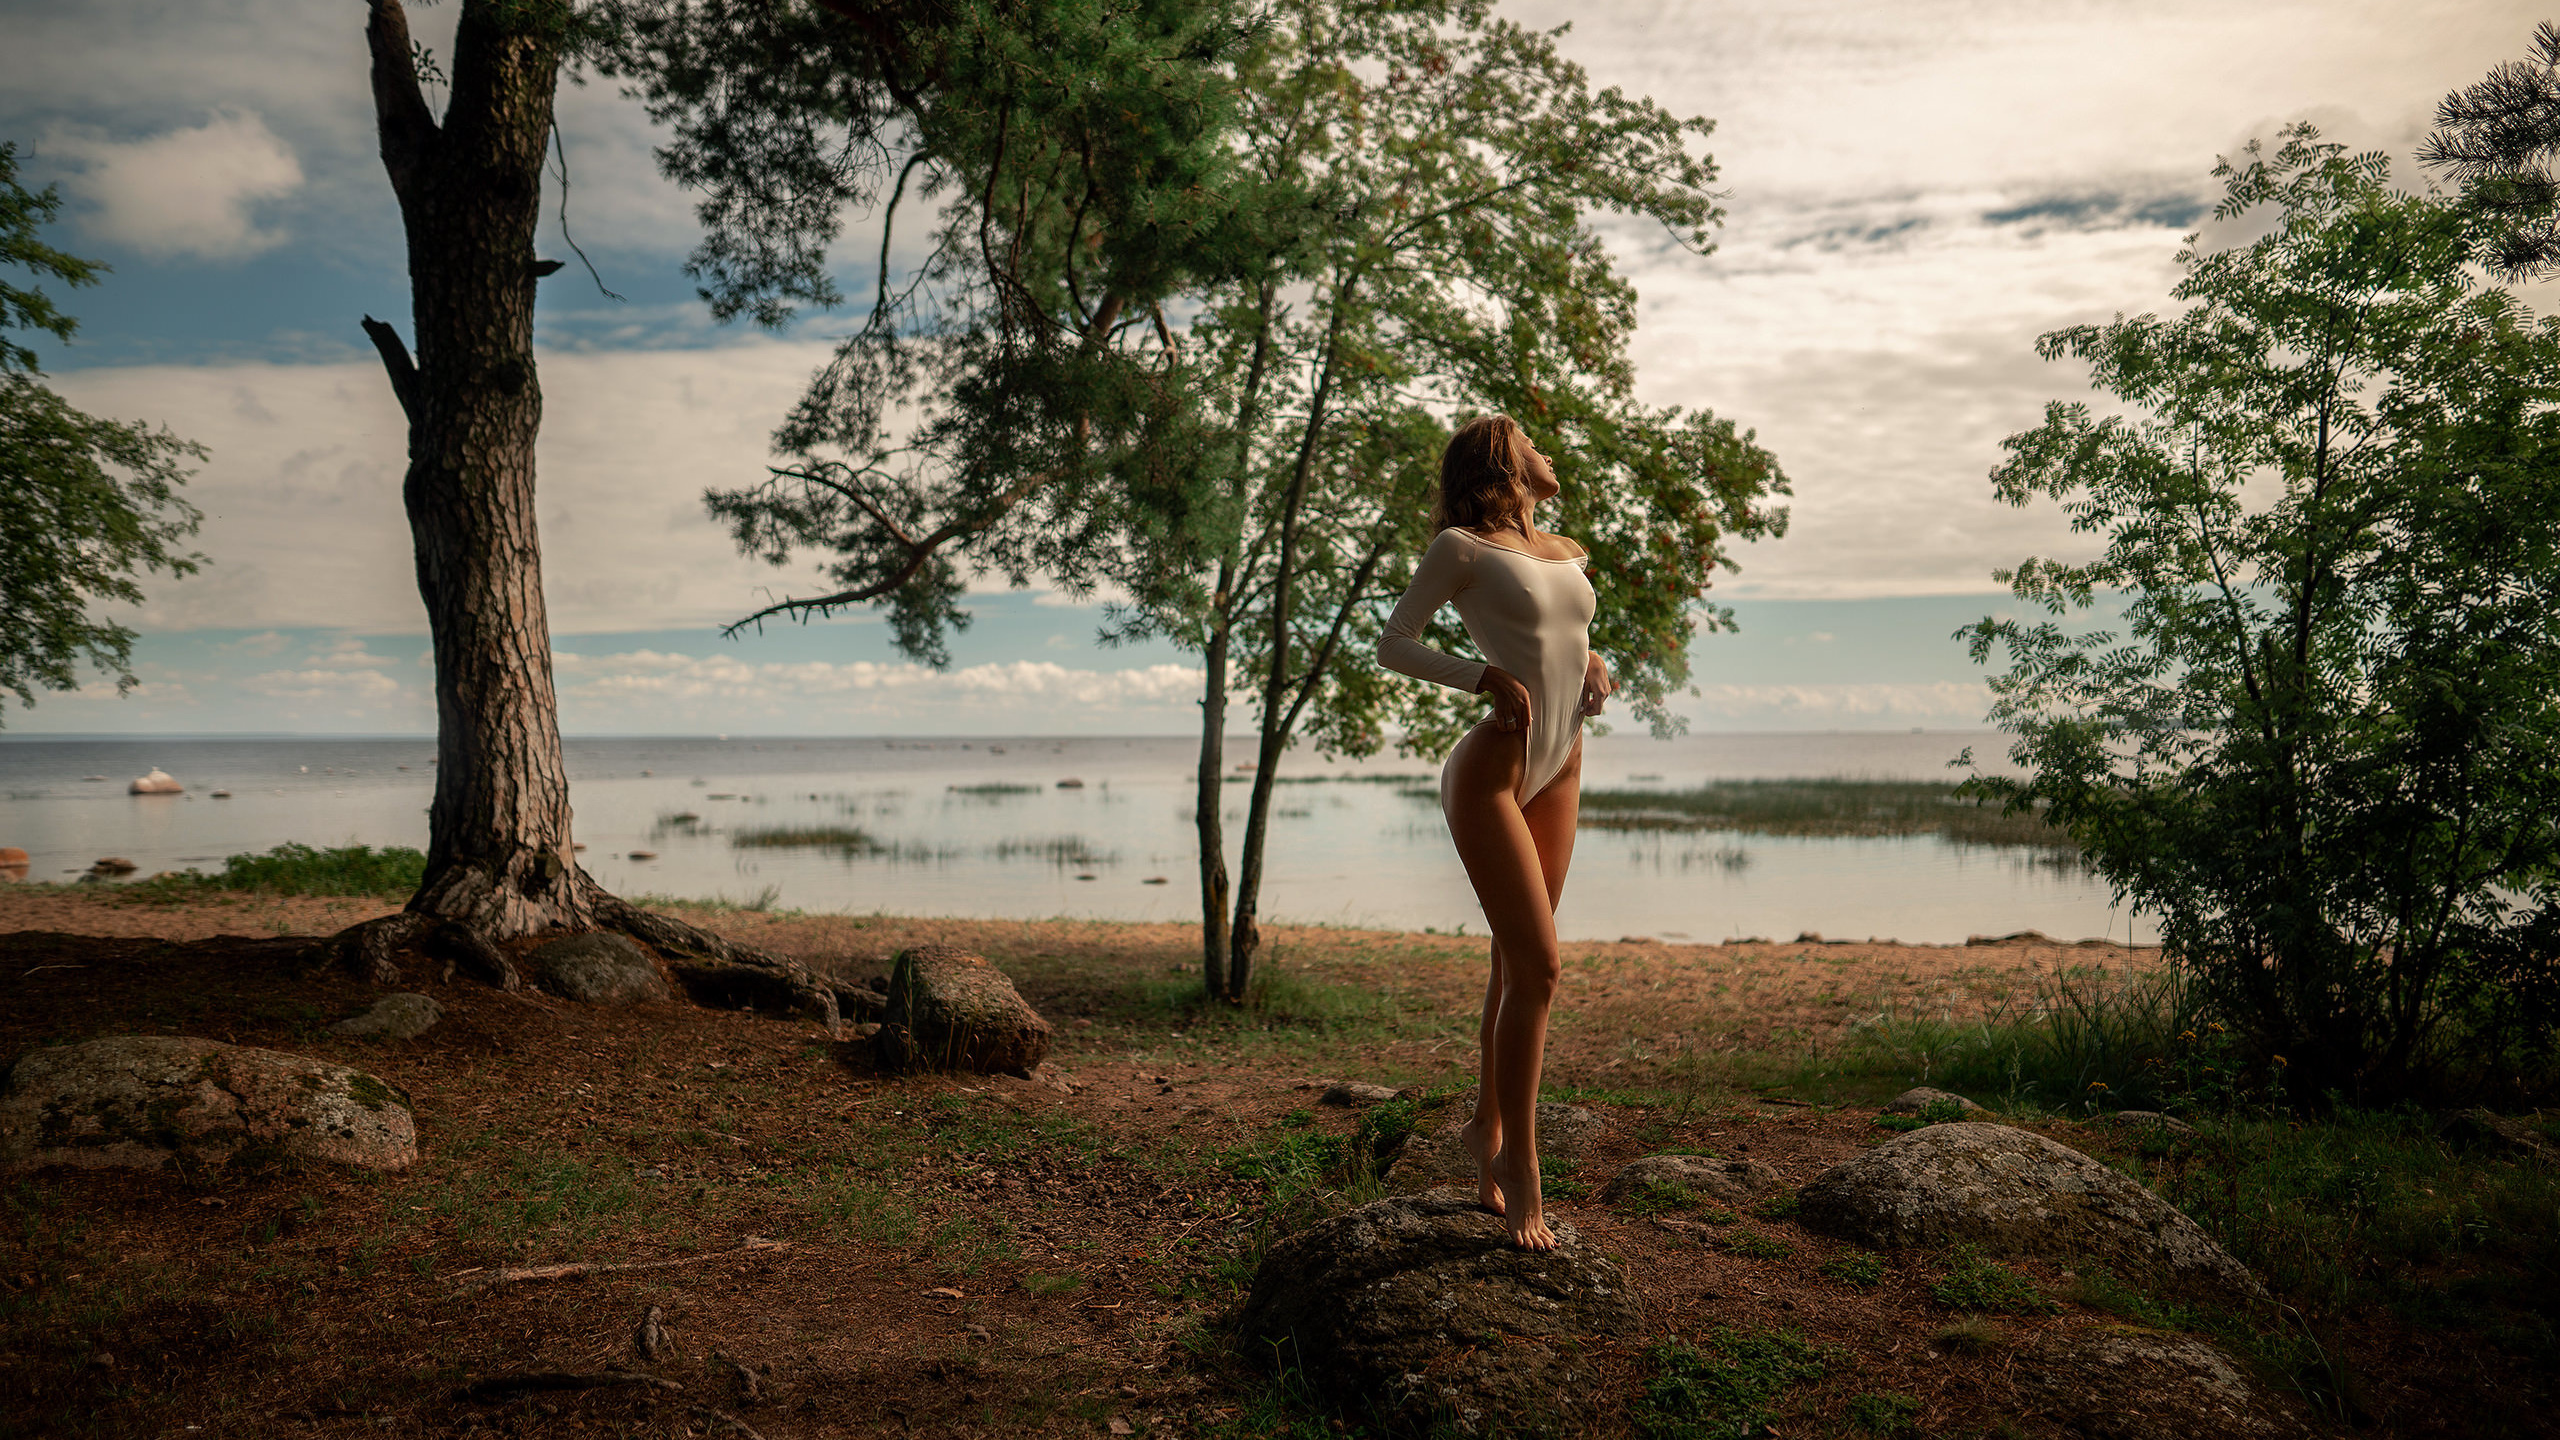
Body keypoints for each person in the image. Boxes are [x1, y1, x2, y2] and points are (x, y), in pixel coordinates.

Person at [1377, 414, 1611, 1251]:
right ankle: (1520, 1169)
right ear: (1503, 462)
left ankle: (1485, 1130)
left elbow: (1556, 629)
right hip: (1496, 770)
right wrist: (1480, 675)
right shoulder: (1461, 548)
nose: (1551, 455)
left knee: (1516, 964)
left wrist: (1590, 661)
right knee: (1542, 968)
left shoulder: (1565, 547)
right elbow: (1393, 643)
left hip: (1563, 762)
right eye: (1536, 445)